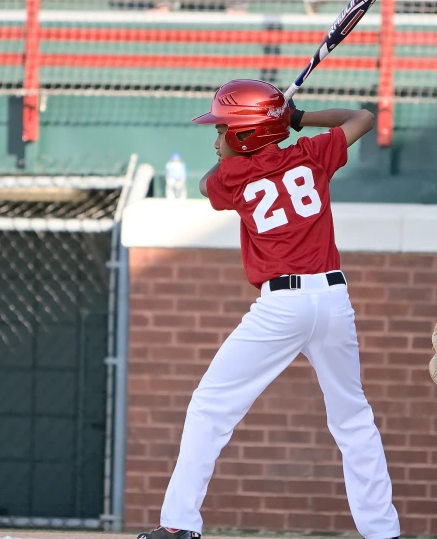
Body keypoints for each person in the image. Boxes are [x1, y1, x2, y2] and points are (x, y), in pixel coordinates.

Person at [137, 79, 401, 539]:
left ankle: (179, 526)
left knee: (210, 407)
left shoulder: (230, 177)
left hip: (282, 305)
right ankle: (383, 532)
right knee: (352, 419)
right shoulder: (312, 154)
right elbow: (361, 117)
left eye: (223, 131)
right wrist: (297, 120)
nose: (216, 139)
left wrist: (263, 131)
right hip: (335, 301)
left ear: (245, 136)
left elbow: (204, 184)